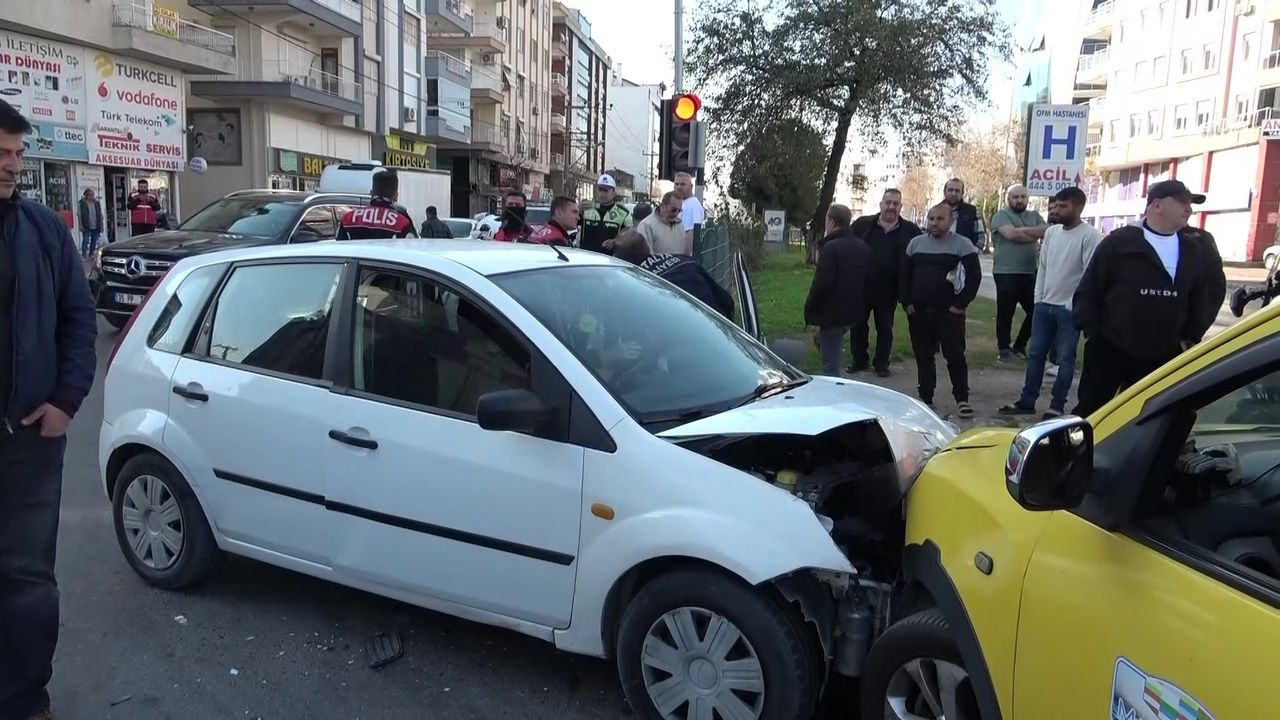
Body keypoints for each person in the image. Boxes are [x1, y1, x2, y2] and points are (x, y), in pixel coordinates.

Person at [0, 99, 98, 720]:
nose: (10, 166)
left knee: (28, 580)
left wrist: (66, 400)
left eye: (15, 154)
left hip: (30, 440)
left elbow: (79, 320)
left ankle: (25, 699)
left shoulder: (43, 231)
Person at [1072, 180, 1219, 417]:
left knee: (1153, 418)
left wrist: (1189, 337)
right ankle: (1082, 453)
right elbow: (1090, 290)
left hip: (1165, 356)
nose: (1189, 210)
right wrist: (1094, 334)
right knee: (1093, 413)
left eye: (1191, 204)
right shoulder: (1119, 243)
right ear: (1156, 205)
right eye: (1182, 202)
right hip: (1111, 350)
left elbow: (1207, 294)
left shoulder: (1195, 248)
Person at [999, 187, 1102, 420]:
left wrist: (1073, 305)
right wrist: (1039, 299)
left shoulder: (1090, 236)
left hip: (1069, 309)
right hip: (1044, 305)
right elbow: (1042, 267)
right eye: (1054, 206)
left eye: (1062, 206)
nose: (1056, 210)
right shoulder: (1053, 233)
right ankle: (1027, 400)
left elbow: (1089, 276)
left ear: (1078, 207)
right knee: (1036, 354)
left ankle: (1057, 405)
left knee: (1065, 358)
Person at [901, 203, 982, 418]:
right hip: (919, 312)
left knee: (955, 356)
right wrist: (907, 303)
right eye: (931, 218)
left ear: (950, 221)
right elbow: (904, 276)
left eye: (940, 219)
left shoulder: (962, 245)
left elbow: (974, 279)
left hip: (949, 313)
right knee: (923, 356)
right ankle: (926, 398)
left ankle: (962, 399)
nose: (935, 223)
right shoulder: (915, 244)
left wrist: (959, 305)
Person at [848, 189, 920, 377]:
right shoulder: (863, 225)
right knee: (858, 325)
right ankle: (859, 359)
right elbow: (847, 247)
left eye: (896, 204)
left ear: (900, 207)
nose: (891, 207)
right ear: (881, 204)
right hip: (861, 285)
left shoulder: (910, 231)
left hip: (889, 288)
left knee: (885, 327)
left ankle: (881, 363)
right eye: (888, 202)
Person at [805, 204, 871, 377]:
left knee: (830, 369)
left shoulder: (831, 248)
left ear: (832, 222)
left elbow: (822, 283)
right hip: (852, 312)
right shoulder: (862, 247)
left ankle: (832, 398)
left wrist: (810, 307)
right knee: (828, 341)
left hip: (832, 313)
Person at [609, 230, 735, 319]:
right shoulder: (685, 260)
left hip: (685, 342)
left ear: (620, 259)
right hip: (720, 329)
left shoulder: (638, 284)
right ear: (647, 247)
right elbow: (727, 300)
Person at [990, 184, 1049, 363]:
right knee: (1005, 312)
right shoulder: (1001, 215)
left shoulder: (1035, 215)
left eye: (1023, 197)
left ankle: (1019, 346)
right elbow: (1010, 235)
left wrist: (1021, 231)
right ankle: (1004, 348)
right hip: (1006, 271)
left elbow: (1046, 231)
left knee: (1036, 311)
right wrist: (1032, 235)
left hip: (1029, 271)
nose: (1019, 200)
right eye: (1015, 197)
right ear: (1009, 198)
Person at [336, 169, 417, 240]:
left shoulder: (348, 219)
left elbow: (339, 250)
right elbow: (411, 250)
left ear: (371, 193)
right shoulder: (402, 223)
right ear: (396, 196)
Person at [578, 174, 633, 253]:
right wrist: (577, 210)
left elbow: (629, 238)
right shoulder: (586, 210)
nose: (602, 193)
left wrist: (615, 242)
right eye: (600, 189)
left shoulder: (623, 214)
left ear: (613, 192)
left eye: (606, 190)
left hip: (610, 261)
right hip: (587, 259)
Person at [942, 177, 986, 251]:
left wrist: (970, 255)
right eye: (950, 190)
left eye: (957, 191)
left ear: (962, 193)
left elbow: (980, 238)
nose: (953, 193)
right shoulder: (934, 211)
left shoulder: (973, 212)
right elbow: (925, 234)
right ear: (944, 192)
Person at [674, 171, 704, 254]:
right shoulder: (681, 203)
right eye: (676, 184)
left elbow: (690, 234)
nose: (679, 187)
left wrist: (683, 258)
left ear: (691, 187)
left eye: (683, 184)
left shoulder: (692, 204)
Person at [77, 188, 104, 258]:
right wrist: (80, 225)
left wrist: (101, 225)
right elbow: (79, 215)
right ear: (86, 196)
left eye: (92, 195)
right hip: (86, 224)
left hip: (96, 224)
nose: (92, 196)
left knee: (94, 240)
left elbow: (100, 215)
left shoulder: (97, 203)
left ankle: (91, 253)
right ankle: (84, 254)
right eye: (90, 195)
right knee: (85, 240)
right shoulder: (82, 203)